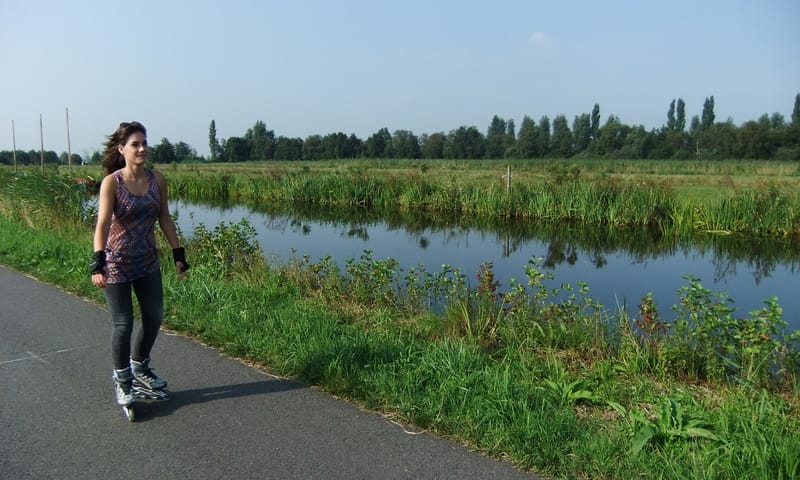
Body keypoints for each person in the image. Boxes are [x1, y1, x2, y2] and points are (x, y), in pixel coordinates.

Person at [89, 121, 189, 408]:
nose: (142, 148)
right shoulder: (113, 183)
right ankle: (122, 381)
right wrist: (98, 262)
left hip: (147, 262)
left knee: (154, 317)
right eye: (135, 144)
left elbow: (165, 217)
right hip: (117, 263)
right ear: (122, 149)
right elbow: (103, 224)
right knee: (123, 324)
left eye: (144, 142)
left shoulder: (157, 180)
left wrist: (178, 253)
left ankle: (140, 367)